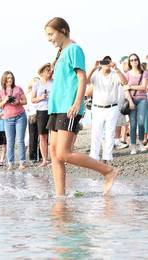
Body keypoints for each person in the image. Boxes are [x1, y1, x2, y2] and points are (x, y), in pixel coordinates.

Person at [44, 17, 119, 196]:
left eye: (51, 34)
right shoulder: (61, 53)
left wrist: (77, 103)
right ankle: (60, 197)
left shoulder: (74, 49)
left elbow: (81, 78)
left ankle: (108, 171)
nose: (49, 38)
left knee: (64, 153)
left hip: (69, 107)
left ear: (62, 30)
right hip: (56, 107)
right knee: (54, 153)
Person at [86, 56, 127, 162]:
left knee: (110, 132)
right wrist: (93, 67)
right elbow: (85, 81)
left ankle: (107, 156)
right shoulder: (96, 74)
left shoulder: (115, 74)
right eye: (104, 62)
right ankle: (94, 156)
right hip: (97, 108)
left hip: (112, 107)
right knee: (96, 132)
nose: (106, 64)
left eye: (108, 62)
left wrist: (117, 69)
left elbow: (125, 82)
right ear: (101, 63)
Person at [0, 71, 27, 170]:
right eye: (8, 78)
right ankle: (11, 163)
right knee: (10, 141)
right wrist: (5, 100)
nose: (10, 79)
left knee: (20, 140)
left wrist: (18, 102)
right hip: (8, 119)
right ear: (4, 79)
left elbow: (25, 101)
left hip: (20, 116)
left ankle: (22, 163)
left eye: (11, 78)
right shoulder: (0, 91)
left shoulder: (18, 89)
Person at [124, 53, 148, 154]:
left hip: (142, 99)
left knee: (141, 123)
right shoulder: (127, 74)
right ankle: (133, 146)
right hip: (132, 100)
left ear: (138, 60)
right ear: (129, 62)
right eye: (132, 60)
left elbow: (143, 87)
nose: (134, 61)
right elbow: (125, 90)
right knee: (133, 125)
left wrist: (130, 86)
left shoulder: (145, 72)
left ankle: (141, 143)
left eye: (135, 59)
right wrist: (130, 101)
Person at [31, 63, 52, 167]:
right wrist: (41, 97)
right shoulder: (37, 84)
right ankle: (44, 160)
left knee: (55, 136)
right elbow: (32, 99)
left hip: (53, 110)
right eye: (48, 70)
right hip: (41, 111)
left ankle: (56, 158)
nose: (50, 72)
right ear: (43, 72)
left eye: (51, 70)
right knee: (43, 136)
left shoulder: (54, 82)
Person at [114, 56, 130, 149]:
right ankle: (118, 140)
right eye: (123, 63)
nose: (125, 65)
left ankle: (121, 139)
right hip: (120, 101)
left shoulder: (128, 74)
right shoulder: (119, 74)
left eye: (126, 63)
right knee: (120, 122)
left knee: (123, 122)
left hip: (126, 101)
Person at [25, 77, 41, 163]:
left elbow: (26, 108)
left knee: (33, 137)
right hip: (40, 113)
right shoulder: (39, 92)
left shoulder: (28, 94)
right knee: (42, 137)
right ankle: (41, 156)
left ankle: (33, 158)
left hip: (31, 115)